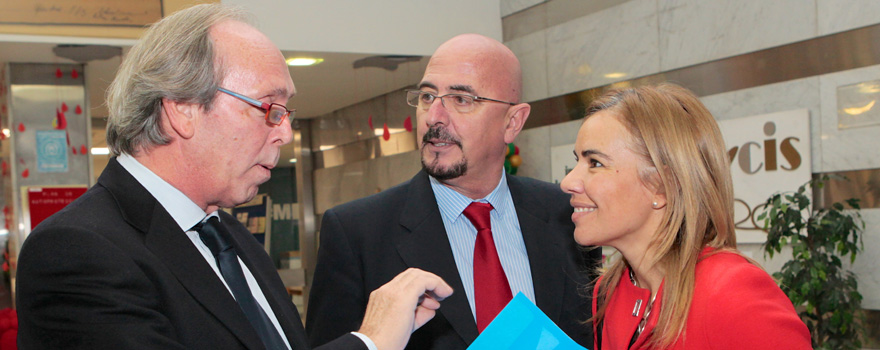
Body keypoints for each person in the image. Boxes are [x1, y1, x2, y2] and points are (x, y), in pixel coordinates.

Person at [15, 4, 452, 350]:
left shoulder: (225, 234)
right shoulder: (76, 251)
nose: (285, 132)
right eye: (269, 108)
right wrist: (368, 342)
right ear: (182, 108)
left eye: (287, 113)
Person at [306, 34, 600, 349]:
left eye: (461, 100)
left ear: (513, 122)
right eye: (427, 97)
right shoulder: (356, 233)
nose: (434, 117)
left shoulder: (567, 214)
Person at [560, 83, 812, 349]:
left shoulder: (733, 294)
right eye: (577, 161)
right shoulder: (610, 291)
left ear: (662, 185)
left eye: (595, 163)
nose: (568, 182)